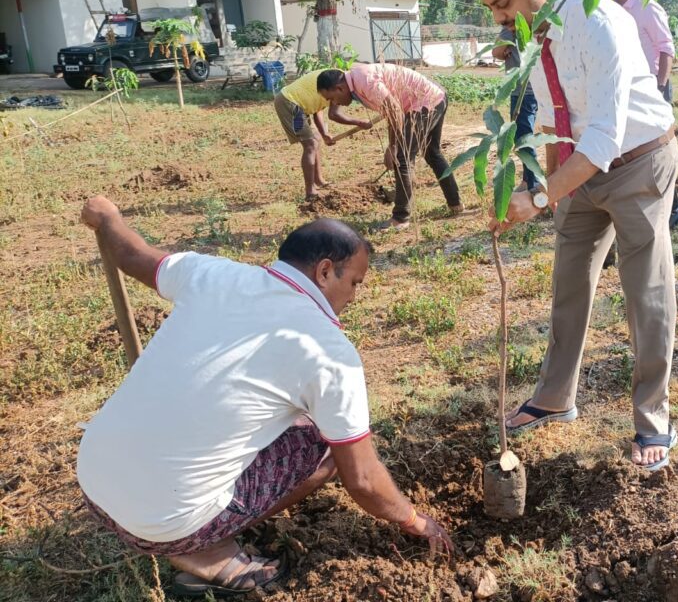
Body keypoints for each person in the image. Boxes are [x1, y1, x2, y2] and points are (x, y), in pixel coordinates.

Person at [76, 197, 452, 597]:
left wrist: (109, 218)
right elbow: (361, 479)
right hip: (163, 526)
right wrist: (413, 520)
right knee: (327, 443)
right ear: (325, 271)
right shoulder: (327, 352)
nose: (354, 296)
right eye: (355, 282)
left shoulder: (213, 273)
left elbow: (132, 254)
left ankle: (182, 521)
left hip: (93, 484)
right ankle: (207, 551)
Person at [466, 0, 678, 471]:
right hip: (579, 169)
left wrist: (539, 200)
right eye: (492, 9)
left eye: (503, 3)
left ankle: (652, 418)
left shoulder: (602, 23)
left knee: (645, 292)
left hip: (638, 164)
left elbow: (604, 138)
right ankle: (555, 397)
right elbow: (552, 118)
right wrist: (545, 186)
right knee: (569, 281)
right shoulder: (534, 35)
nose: (499, 18)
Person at [326, 64, 463, 230]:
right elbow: (392, 110)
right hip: (434, 97)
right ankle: (455, 203)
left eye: (331, 98)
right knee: (431, 152)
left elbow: (395, 111)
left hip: (425, 101)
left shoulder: (365, 81)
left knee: (401, 157)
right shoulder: (357, 79)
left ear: (339, 88)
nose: (334, 103)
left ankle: (400, 218)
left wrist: (392, 146)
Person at [610, 0, 678, 227]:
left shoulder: (648, 8)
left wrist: (660, 87)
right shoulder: (617, 12)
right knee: (636, 149)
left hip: (654, 87)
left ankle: (674, 210)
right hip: (630, 89)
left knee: (658, 147)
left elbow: (666, 49)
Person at [274, 69, 373, 200]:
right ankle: (310, 192)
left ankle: (319, 181)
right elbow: (334, 114)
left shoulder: (335, 82)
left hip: (299, 105)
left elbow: (318, 108)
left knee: (316, 139)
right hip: (290, 103)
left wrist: (324, 133)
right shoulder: (336, 82)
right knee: (310, 144)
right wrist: (359, 122)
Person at [492, 26, 540, 191]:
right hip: (534, 88)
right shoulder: (533, 23)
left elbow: (497, 51)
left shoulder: (511, 26)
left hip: (522, 91)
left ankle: (533, 184)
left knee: (523, 138)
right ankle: (527, 181)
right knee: (524, 136)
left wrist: (505, 50)